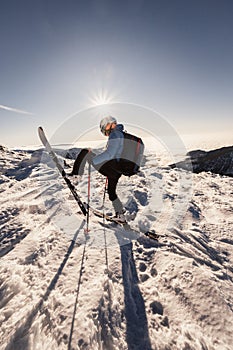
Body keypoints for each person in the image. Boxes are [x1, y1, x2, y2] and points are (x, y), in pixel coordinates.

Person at [69, 116, 127, 221]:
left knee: (85, 151)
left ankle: (75, 176)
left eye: (104, 129)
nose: (105, 132)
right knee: (112, 192)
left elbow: (110, 154)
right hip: (118, 171)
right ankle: (120, 214)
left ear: (108, 125)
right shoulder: (122, 134)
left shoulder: (115, 134)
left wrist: (95, 160)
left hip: (113, 169)